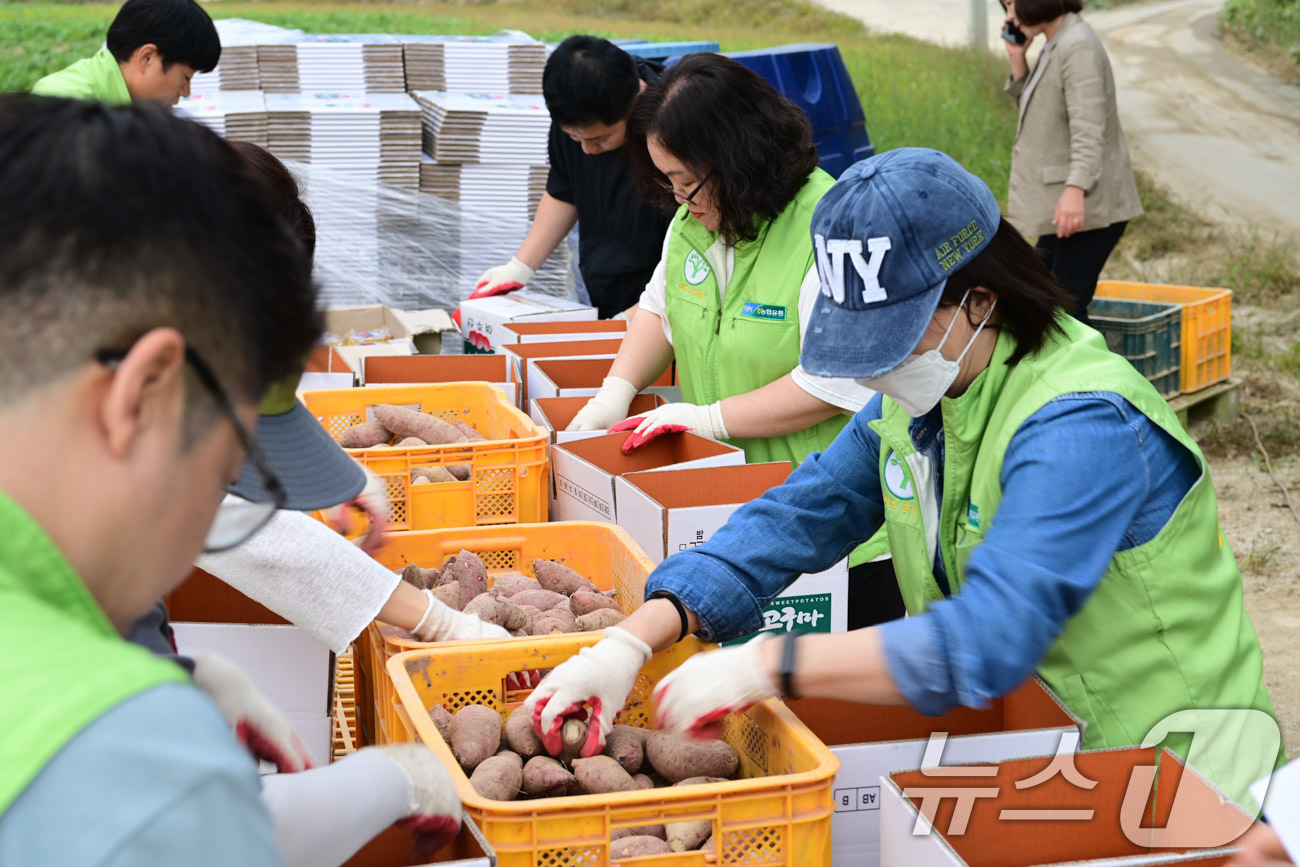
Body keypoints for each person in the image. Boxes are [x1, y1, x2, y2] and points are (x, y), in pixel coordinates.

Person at [526, 147, 1281, 809]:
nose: (875, 366)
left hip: (1173, 768)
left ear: (979, 301)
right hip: (1047, 756)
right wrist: (630, 639)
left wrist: (769, 663)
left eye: (892, 336)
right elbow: (797, 517)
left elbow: (989, 635)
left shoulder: (1080, 423)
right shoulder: (922, 398)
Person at [0, 95, 457, 866]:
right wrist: (384, 781)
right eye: (222, 477)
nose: (202, 535)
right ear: (141, 395)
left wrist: (183, 675)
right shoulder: (127, 757)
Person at [565, 52, 897, 628]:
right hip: (732, 523)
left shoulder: (828, 226)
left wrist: (709, 421)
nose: (679, 200)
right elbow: (658, 310)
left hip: (829, 534)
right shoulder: (692, 223)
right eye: (668, 183)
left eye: (688, 184)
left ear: (739, 161)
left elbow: (834, 384)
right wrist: (613, 394)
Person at [473, 36, 671, 319]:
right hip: (607, 288)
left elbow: (696, 249)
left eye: (599, 139)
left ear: (634, 105)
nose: (587, 150)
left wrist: (640, 315)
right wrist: (520, 267)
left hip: (669, 300)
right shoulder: (576, 117)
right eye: (574, 137)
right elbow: (563, 189)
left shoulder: (674, 131)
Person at [1001, 0, 1143, 322]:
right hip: (1066, 204)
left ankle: (1096, 373)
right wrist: (1017, 60)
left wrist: (1076, 189)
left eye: (1013, 5)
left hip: (1087, 207)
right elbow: (1039, 113)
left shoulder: (1077, 46)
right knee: (1044, 302)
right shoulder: (1058, 41)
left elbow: (1089, 130)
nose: (1009, 17)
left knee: (1064, 312)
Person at [31, 0, 218, 106]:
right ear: (148, 58)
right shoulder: (65, 106)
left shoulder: (130, 109)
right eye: (185, 78)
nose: (186, 92)